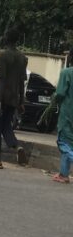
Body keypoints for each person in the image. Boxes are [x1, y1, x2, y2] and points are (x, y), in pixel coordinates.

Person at [0, 28, 28, 169]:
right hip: (13, 98)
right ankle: (17, 147)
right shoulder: (23, 58)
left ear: (6, 38)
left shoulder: (2, 56)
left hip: (1, 96)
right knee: (6, 125)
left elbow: (1, 79)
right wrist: (21, 101)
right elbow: (22, 82)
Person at [52, 52, 73, 184]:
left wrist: (54, 100)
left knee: (64, 142)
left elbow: (59, 93)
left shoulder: (66, 73)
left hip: (68, 112)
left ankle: (64, 174)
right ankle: (63, 174)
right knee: (70, 143)